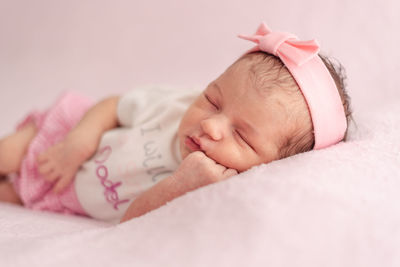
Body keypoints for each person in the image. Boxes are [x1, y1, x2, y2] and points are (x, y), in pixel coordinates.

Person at [0, 22, 351, 223]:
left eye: (242, 137)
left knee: (9, 197)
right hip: (60, 145)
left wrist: (182, 185)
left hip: (67, 198)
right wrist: (79, 140)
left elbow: (131, 223)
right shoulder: (175, 105)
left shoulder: (212, 191)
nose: (212, 126)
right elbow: (112, 106)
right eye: (212, 100)